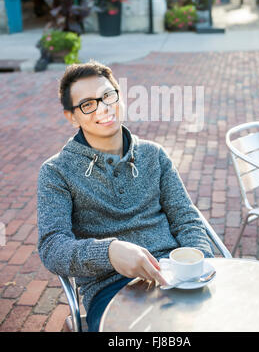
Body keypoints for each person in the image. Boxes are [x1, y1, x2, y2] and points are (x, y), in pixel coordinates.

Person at [37, 61, 214, 332]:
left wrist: (199, 264)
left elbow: (186, 218)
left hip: (177, 273)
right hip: (112, 289)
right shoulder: (56, 172)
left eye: (108, 96)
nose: (103, 108)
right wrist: (108, 251)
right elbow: (53, 247)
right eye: (87, 104)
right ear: (71, 117)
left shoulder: (154, 155)